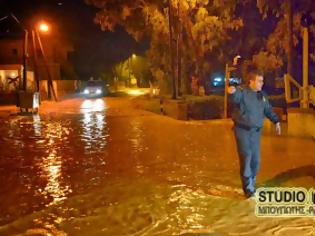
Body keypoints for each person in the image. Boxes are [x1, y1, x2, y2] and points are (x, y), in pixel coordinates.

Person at [228, 68, 281, 198]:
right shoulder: (242, 92)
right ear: (251, 81)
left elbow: (268, 110)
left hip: (256, 133)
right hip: (242, 131)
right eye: (259, 81)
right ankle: (248, 189)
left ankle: (251, 181)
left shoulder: (262, 96)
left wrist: (276, 122)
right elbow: (234, 95)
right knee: (246, 157)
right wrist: (231, 90)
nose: (261, 83)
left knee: (256, 161)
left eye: (262, 81)